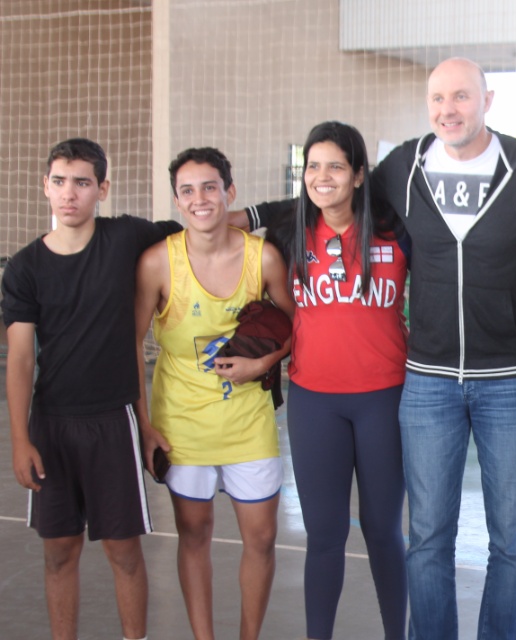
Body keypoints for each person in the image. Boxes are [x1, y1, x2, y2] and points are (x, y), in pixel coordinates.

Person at [239, 58, 516, 640]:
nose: (449, 109)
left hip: (507, 378)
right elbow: (320, 197)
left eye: (461, 96)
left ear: (487, 101)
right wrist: (232, 216)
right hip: (429, 381)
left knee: (511, 542)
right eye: (438, 97)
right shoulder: (405, 167)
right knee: (428, 539)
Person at [2, 138, 182, 640]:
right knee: (59, 552)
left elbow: (200, 229)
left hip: (113, 421)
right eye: (59, 181)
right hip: (52, 425)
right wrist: (20, 438)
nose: (69, 193)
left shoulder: (125, 238)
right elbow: (19, 358)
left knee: (123, 552)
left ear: (102, 188)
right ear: (45, 187)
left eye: (82, 182)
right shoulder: (24, 268)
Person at [134, 147, 295, 640]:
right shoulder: (158, 263)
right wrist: (143, 425)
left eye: (209, 187)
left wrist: (264, 362)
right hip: (182, 423)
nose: (200, 199)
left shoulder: (262, 256)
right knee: (194, 535)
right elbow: (126, 346)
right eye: (187, 190)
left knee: (262, 538)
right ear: (177, 201)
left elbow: (296, 327)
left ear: (230, 192)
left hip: (247, 421)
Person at [280, 122, 409, 640]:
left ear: (358, 174)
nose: (322, 176)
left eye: (335, 165)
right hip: (314, 402)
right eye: (313, 166)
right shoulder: (288, 234)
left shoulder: (394, 231)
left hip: (384, 398)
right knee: (325, 536)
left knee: (383, 532)